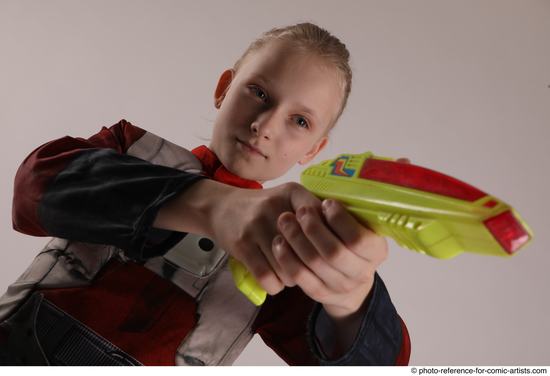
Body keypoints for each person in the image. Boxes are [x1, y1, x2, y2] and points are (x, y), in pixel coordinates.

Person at [0, 23, 410, 366]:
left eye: (300, 121)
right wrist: (212, 206)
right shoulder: (130, 148)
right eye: (259, 93)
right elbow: (32, 189)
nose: (265, 125)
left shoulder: (291, 244)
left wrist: (352, 298)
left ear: (314, 151)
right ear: (224, 88)